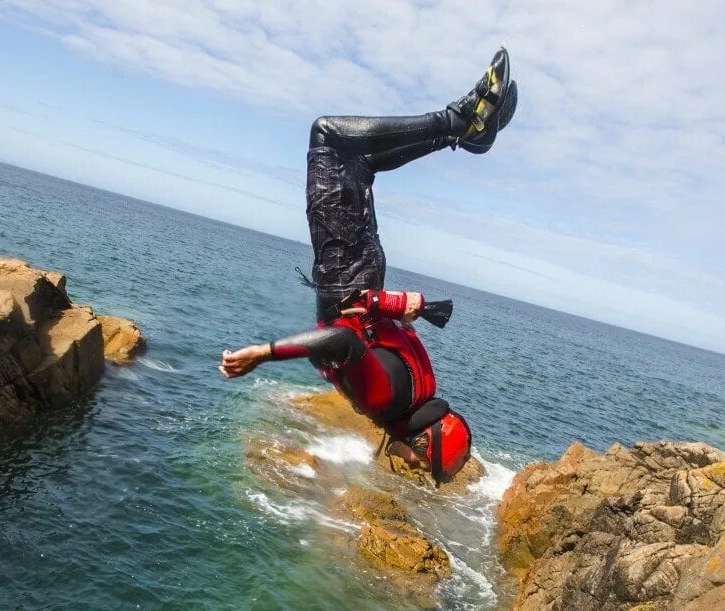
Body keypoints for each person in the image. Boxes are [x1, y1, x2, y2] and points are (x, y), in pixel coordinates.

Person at [219, 49, 518, 483]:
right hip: (343, 269)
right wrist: (262, 355)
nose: (410, 467)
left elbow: (374, 333)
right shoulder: (384, 402)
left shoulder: (422, 388)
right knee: (330, 136)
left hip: (366, 269)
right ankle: (458, 120)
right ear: (423, 443)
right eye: (420, 464)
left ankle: (467, 136)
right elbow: (342, 340)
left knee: (360, 162)